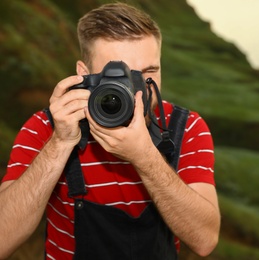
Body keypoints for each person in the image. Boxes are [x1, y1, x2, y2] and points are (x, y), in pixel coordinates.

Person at [0, 2, 220, 259]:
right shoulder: (46, 128)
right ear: (84, 74)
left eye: (148, 74)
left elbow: (205, 241)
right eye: (120, 78)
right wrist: (60, 143)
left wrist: (145, 157)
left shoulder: (185, 127)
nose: (137, 92)